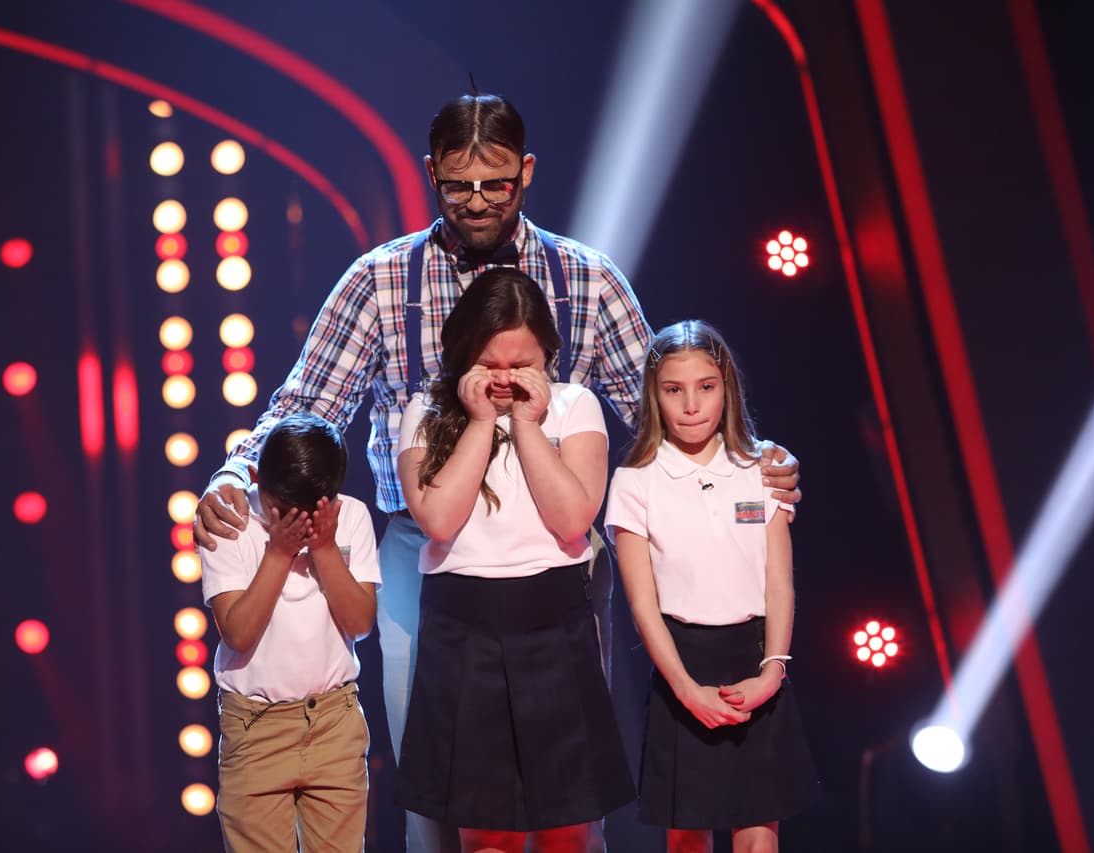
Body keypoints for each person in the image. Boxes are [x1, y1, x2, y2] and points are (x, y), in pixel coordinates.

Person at [194, 91, 803, 852]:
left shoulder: (586, 277)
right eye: (458, 184)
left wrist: (751, 459)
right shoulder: (380, 280)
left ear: (528, 171)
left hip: (560, 554)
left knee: (566, 780)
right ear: (431, 173)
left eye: (496, 183)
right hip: (426, 545)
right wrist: (234, 472)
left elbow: (662, 411)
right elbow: (306, 403)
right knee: (437, 773)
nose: (478, 200)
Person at [395, 268, 634, 853]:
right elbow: (439, 519)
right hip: (461, 625)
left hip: (555, 617)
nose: (504, 378)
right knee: (485, 832)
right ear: (464, 354)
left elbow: (572, 519)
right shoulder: (426, 410)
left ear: (547, 355)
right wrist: (481, 422)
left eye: (521, 364)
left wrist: (526, 424)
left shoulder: (574, 406)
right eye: (489, 363)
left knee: (567, 829)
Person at [604, 321, 818, 853]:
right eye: (673, 390)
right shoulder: (635, 480)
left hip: (756, 656)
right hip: (682, 663)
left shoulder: (761, 467)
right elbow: (642, 604)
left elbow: (779, 584)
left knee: (759, 832)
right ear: (654, 395)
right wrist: (683, 687)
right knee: (687, 836)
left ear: (727, 387)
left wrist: (772, 671)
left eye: (706, 386)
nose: (691, 405)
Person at [200, 413, 381, 853]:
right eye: (282, 508)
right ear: (256, 477)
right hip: (256, 729)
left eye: (309, 510)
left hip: (334, 722)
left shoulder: (350, 516)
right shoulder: (230, 523)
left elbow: (360, 623)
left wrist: (324, 547)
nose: (295, 521)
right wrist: (279, 553)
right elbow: (238, 634)